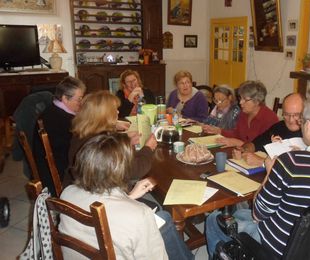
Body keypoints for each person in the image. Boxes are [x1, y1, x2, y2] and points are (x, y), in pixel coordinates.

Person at [206, 96, 310, 258]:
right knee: (240, 214)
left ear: (308, 126)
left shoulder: (290, 162)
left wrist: (270, 172)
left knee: (214, 219)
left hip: (278, 248)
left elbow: (258, 213)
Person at [60, 133, 194, 260]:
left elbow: (104, 210)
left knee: (163, 218)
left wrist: (128, 198)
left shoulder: (67, 193)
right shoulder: (140, 215)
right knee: (162, 219)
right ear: (121, 171)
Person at [68, 90, 156, 182]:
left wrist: (126, 140)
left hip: (87, 186)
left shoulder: (86, 131)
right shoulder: (100, 144)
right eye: (114, 110)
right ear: (105, 114)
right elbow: (135, 170)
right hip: (98, 192)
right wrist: (148, 148)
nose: (118, 112)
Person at [33, 76, 86, 195]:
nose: (81, 103)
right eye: (79, 99)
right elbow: (75, 148)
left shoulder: (55, 110)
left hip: (53, 163)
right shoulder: (61, 119)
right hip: (57, 172)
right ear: (65, 99)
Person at [235, 93, 304, 167]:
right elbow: (256, 143)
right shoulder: (279, 126)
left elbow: (302, 168)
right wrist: (244, 150)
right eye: (286, 114)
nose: (291, 120)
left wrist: (262, 162)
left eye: (296, 115)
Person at [203, 81, 279, 147]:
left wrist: (239, 143)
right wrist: (219, 131)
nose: (240, 102)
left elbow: (266, 148)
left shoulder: (270, 119)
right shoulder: (244, 113)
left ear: (257, 101)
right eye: (240, 98)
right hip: (242, 155)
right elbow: (236, 133)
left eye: (245, 99)